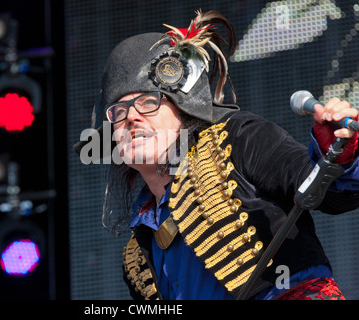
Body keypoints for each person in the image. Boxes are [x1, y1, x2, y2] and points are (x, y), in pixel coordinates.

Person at [74, 10, 359, 300]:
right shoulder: (137, 256)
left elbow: (334, 194)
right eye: (119, 112)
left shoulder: (239, 139)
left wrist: (338, 153)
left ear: (184, 112)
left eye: (149, 101)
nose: (131, 117)